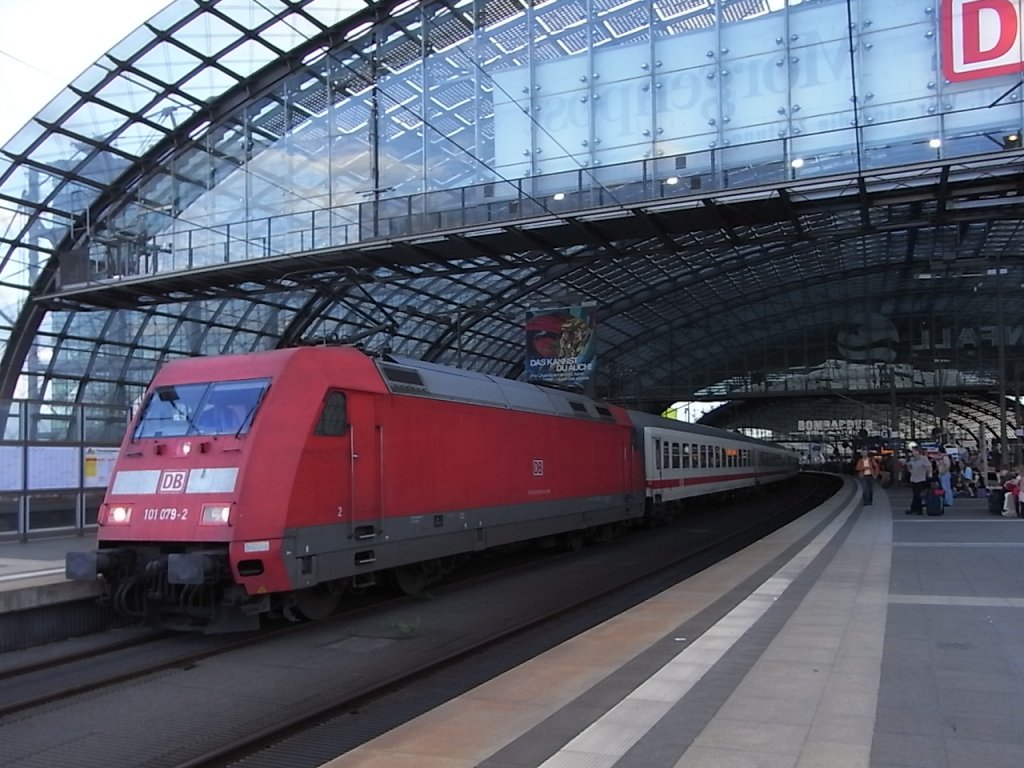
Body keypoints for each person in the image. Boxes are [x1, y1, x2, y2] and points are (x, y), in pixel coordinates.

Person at [904, 447, 932, 515]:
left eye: (913, 451)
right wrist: (910, 470)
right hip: (913, 478)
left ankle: (917, 509)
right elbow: (908, 465)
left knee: (917, 494)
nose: (912, 453)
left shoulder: (923, 459)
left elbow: (928, 467)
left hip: (921, 478)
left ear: (918, 452)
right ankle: (916, 509)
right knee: (915, 494)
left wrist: (929, 474)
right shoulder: (912, 459)